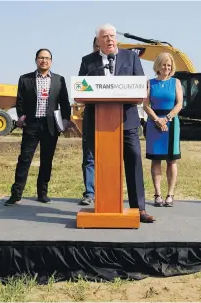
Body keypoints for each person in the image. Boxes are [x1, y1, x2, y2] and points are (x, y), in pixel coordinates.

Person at [77, 23, 155, 223]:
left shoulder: (131, 57)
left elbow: (142, 84)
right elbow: (81, 89)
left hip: (127, 120)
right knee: (102, 164)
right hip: (98, 123)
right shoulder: (88, 61)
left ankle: (139, 209)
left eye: (112, 36)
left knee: (134, 160)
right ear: (98, 41)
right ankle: (104, 206)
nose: (110, 39)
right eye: (105, 37)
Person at [5, 48, 72, 205]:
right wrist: (21, 116)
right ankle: (16, 194)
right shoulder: (25, 79)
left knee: (46, 160)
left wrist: (65, 120)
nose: (44, 60)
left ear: (51, 61)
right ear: (36, 60)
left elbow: (65, 102)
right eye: (41, 58)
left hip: (50, 126)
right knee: (24, 159)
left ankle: (42, 193)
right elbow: (20, 101)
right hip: (32, 125)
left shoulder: (59, 80)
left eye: (47, 58)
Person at [143, 52, 183, 207]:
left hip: (171, 123)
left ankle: (170, 194)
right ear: (157, 66)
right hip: (154, 123)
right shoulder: (150, 83)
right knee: (156, 159)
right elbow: (145, 105)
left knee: (171, 160)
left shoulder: (176, 82)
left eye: (169, 65)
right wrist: (157, 120)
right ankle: (158, 194)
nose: (167, 67)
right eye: (164, 64)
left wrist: (166, 119)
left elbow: (179, 104)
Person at [80, 37, 100, 206]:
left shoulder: (116, 63)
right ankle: (89, 192)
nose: (99, 47)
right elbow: (80, 86)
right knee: (89, 156)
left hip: (113, 117)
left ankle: (107, 192)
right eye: (96, 45)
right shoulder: (87, 62)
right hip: (91, 114)